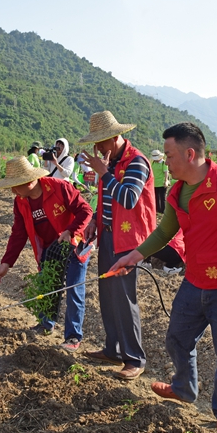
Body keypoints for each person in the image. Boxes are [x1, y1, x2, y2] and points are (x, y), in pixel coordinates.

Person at [111, 122, 217, 433]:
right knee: (177, 338)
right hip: (194, 281)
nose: (165, 163)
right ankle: (184, 387)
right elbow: (164, 232)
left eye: (169, 156)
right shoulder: (176, 193)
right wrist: (135, 256)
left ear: (189, 153)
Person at [78, 111, 156, 381]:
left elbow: (128, 198)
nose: (97, 149)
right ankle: (114, 349)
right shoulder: (110, 161)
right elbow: (107, 200)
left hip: (130, 239)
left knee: (124, 298)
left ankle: (134, 359)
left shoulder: (137, 162)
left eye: (100, 143)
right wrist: (95, 221)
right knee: (107, 294)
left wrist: (104, 173)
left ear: (113, 138)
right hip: (109, 235)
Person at [0, 156, 93, 351]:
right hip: (48, 248)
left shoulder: (59, 188)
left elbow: (85, 210)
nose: (13, 190)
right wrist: (6, 263)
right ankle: (46, 323)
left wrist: (70, 230)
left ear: (30, 182)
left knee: (74, 288)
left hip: (72, 244)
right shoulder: (20, 202)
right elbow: (19, 233)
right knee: (47, 285)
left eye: (16, 186)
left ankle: (73, 336)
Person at [150, 149, 170, 214]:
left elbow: (166, 172)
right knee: (156, 197)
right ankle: (157, 210)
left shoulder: (163, 163)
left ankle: (163, 210)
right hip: (154, 183)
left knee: (162, 197)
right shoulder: (153, 163)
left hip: (162, 183)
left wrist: (166, 180)